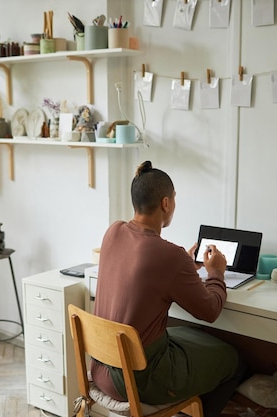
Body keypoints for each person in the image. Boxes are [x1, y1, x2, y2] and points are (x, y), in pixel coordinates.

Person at [91, 161, 246, 416]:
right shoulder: (169, 257)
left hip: (100, 367)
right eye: (174, 199)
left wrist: (183, 264)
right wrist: (216, 272)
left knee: (188, 334)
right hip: (137, 379)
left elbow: (141, 263)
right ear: (165, 203)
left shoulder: (114, 231)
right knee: (233, 359)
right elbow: (210, 311)